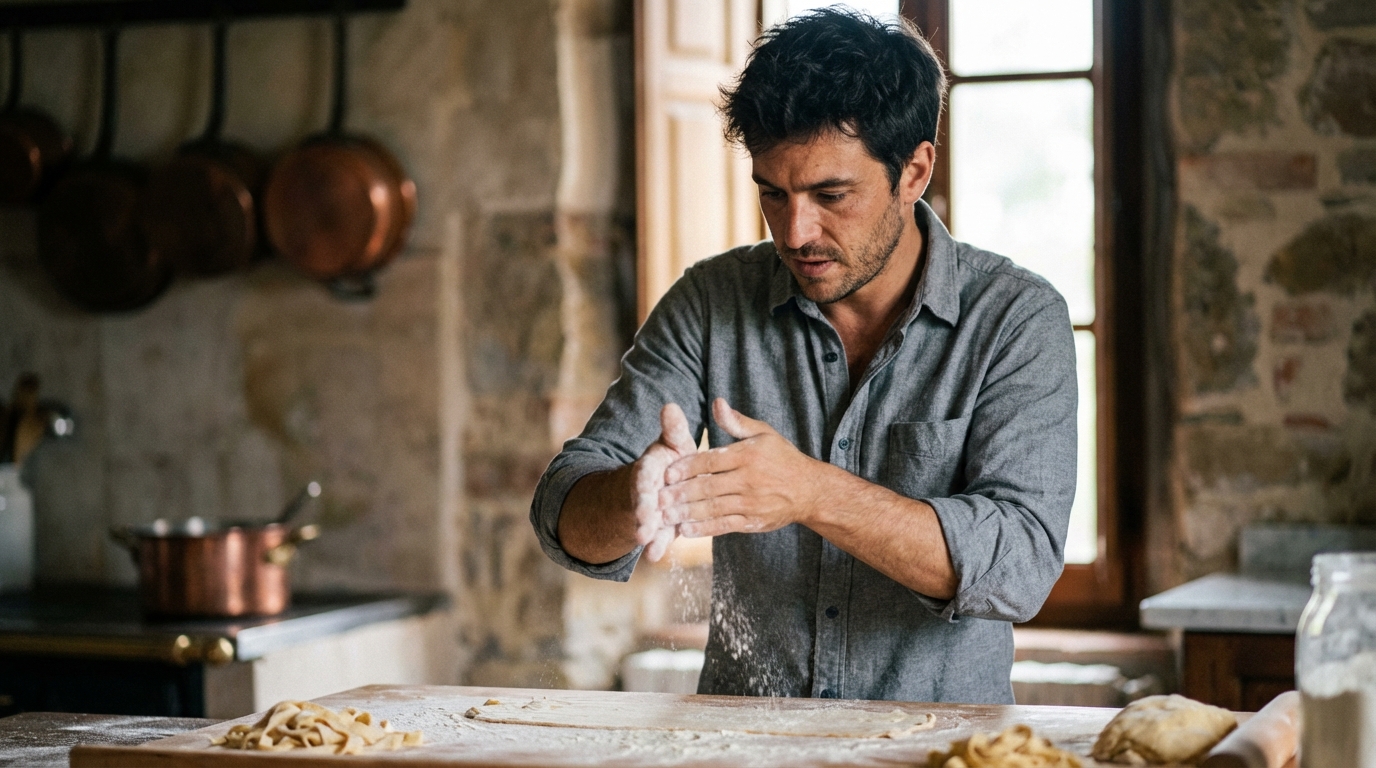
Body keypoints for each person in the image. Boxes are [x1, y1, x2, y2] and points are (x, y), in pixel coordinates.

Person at [530, 8, 1076, 704]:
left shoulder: (1017, 319)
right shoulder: (710, 300)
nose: (797, 231)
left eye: (830, 195)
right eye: (772, 193)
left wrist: (811, 492)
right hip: (742, 750)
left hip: (937, 754)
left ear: (914, 171)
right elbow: (563, 508)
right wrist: (630, 498)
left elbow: (1021, 565)